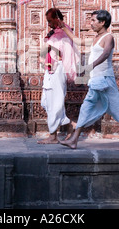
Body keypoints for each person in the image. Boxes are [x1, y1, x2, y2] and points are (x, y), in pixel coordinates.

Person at [57, 10, 119, 151]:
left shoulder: (108, 37)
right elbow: (78, 41)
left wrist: (89, 66)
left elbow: (106, 53)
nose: (91, 23)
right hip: (97, 80)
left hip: (105, 79)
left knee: (116, 110)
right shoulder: (95, 38)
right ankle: (74, 140)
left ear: (103, 22)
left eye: (94, 20)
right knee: (87, 108)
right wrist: (63, 27)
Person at [38, 8, 79, 144]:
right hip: (51, 70)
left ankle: (53, 136)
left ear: (57, 18)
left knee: (54, 102)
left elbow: (58, 53)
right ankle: (70, 125)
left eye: (50, 21)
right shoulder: (57, 33)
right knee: (46, 101)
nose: (48, 24)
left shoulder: (63, 33)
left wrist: (50, 45)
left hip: (57, 70)